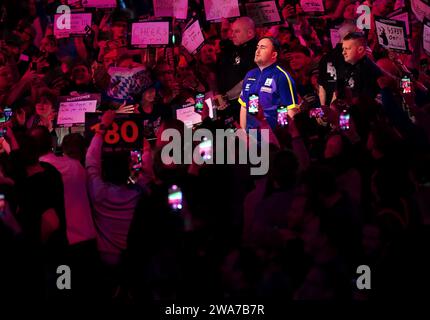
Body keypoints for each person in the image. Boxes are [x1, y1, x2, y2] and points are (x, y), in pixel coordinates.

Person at [239, 37, 299, 130]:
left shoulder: (281, 76)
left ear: (273, 55)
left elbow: (290, 109)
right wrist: (243, 132)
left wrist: (281, 135)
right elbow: (244, 106)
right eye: (257, 47)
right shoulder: (250, 74)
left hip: (273, 135)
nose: (257, 51)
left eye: (262, 48)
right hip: (252, 136)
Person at [216, 17, 258, 120]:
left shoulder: (257, 52)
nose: (232, 35)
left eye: (237, 31)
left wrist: (226, 96)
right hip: (232, 106)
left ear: (250, 33)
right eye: (232, 31)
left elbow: (250, 81)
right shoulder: (237, 46)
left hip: (247, 109)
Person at [337, 32, 383, 101]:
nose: (343, 52)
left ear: (360, 50)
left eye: (347, 49)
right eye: (343, 49)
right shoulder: (350, 65)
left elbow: (363, 103)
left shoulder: (367, 71)